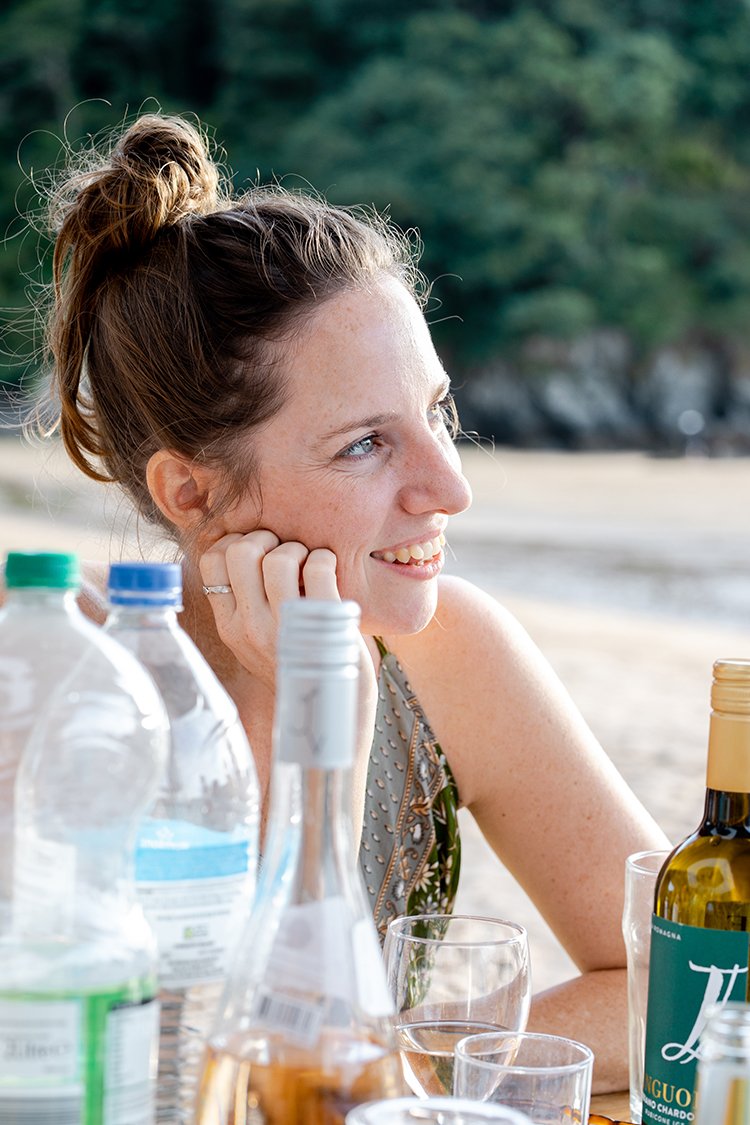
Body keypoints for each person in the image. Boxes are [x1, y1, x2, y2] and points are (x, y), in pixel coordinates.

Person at [27, 111, 667, 1092]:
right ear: (190, 493)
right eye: (366, 443)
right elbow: (198, 1085)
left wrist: (407, 1068)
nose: (449, 487)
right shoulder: (55, 693)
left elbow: (681, 978)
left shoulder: (450, 651)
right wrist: (305, 717)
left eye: (437, 413)